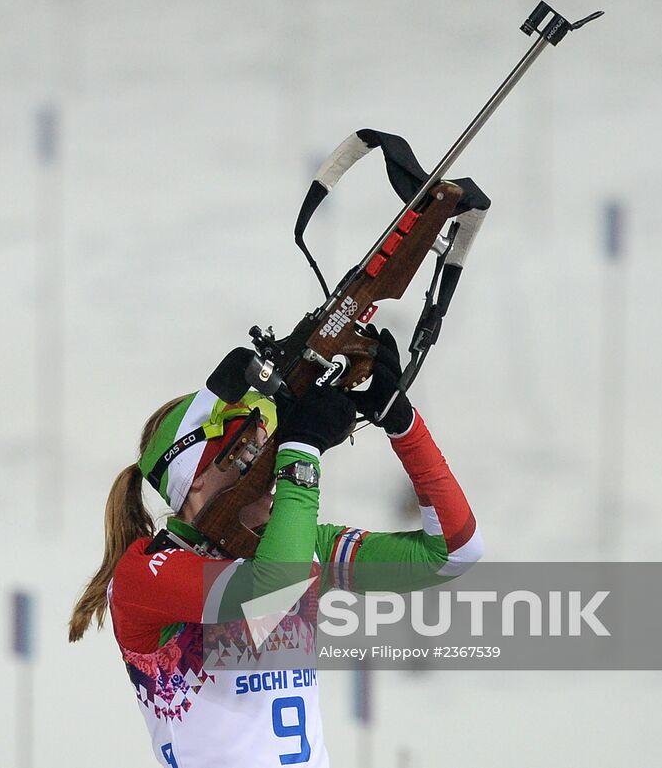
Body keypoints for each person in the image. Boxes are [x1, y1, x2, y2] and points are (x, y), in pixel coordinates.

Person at [68, 326, 482, 768]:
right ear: (195, 480)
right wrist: (301, 450)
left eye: (269, 447)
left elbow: (454, 554)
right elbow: (272, 593)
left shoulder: (292, 546)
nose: (268, 463)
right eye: (251, 452)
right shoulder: (145, 573)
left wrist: (404, 426)